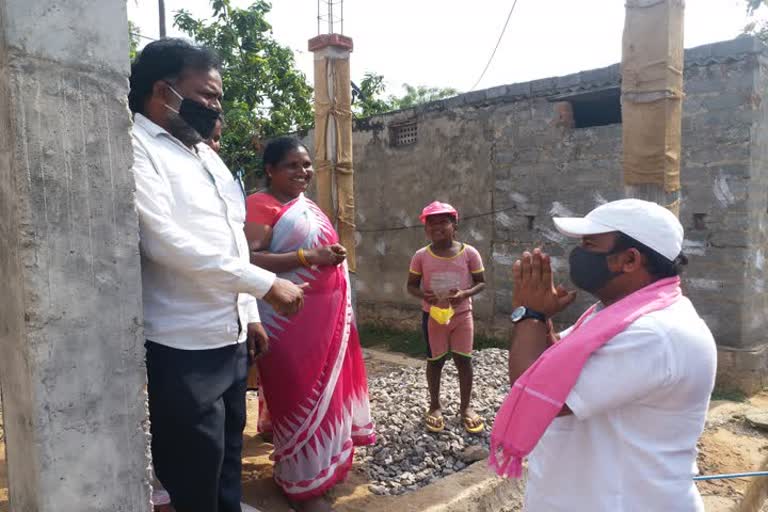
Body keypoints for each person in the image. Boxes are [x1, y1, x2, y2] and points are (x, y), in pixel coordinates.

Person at [129, 39, 306, 512]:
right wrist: (264, 284)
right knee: (192, 476)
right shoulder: (137, 147)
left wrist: (248, 311)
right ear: (164, 91)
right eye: (207, 95)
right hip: (183, 346)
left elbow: (228, 236)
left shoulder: (205, 155)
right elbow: (162, 241)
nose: (216, 107)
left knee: (228, 462)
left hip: (228, 338)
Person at [490, 199, 717, 511]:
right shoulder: (615, 314)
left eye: (589, 245)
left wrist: (529, 314)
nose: (578, 254)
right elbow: (553, 366)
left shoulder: (654, 335)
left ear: (629, 259)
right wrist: (542, 319)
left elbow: (537, 391)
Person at [244, 137, 375, 512]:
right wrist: (309, 255)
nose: (302, 172)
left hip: (326, 318)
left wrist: (331, 255)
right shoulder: (260, 204)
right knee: (298, 392)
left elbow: (318, 253)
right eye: (292, 166)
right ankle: (301, 479)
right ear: (270, 169)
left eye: (305, 165)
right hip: (286, 321)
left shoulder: (304, 205)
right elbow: (248, 259)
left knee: (325, 393)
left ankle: (322, 464)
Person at [406, 202, 486, 434]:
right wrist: (424, 295)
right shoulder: (421, 256)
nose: (437, 227)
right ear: (426, 229)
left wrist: (465, 294)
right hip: (433, 317)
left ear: (455, 226)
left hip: (462, 315)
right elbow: (411, 286)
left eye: (443, 221)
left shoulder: (469, 253)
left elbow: (481, 282)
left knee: (464, 360)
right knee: (435, 361)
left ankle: (466, 408)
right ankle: (434, 406)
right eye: (432, 223)